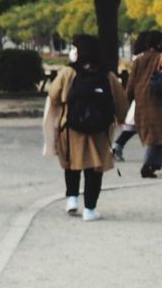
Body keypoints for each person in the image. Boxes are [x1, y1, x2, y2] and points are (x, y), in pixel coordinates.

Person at [44, 34, 127, 221]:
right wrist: (120, 119)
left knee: (71, 163)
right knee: (94, 169)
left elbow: (54, 94)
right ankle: (90, 208)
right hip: (100, 130)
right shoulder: (107, 74)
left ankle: (72, 199)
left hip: (72, 126)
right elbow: (121, 101)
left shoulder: (68, 72)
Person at [112, 31, 159, 162]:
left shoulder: (139, 59)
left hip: (139, 101)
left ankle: (118, 146)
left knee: (134, 127)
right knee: (150, 132)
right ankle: (149, 163)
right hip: (150, 102)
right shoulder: (152, 58)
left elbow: (130, 85)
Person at [126, 29, 162, 178]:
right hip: (158, 103)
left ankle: (154, 164)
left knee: (153, 136)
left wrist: (123, 107)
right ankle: (147, 165)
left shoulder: (138, 60)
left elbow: (129, 86)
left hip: (141, 104)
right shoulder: (160, 58)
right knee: (155, 137)